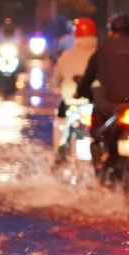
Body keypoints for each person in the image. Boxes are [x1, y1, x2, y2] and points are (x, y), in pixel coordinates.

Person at [73, 13, 129, 174]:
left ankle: (100, 154)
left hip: (112, 105)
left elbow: (88, 78)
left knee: (97, 118)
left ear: (112, 32)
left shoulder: (103, 50)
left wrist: (80, 91)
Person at [50, 16, 98, 153]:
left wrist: (55, 85)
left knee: (60, 120)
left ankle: (59, 151)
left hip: (71, 100)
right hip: (96, 101)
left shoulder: (66, 56)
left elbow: (55, 82)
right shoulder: (101, 55)